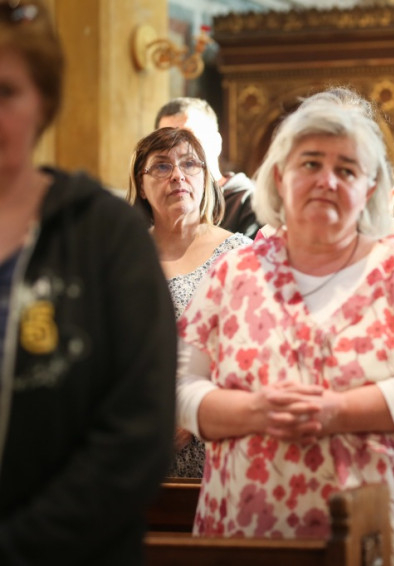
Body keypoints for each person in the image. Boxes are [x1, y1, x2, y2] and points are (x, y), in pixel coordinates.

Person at [175, 91, 394, 565]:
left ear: (370, 189)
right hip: (250, 531)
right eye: (311, 163)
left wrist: (338, 411)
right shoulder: (234, 272)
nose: (327, 180)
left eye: (347, 169)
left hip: (377, 533)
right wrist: (255, 412)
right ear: (280, 177)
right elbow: (179, 384)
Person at [0, 2, 176, 563]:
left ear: (44, 103)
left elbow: (139, 428)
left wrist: (17, 547)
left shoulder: (104, 234)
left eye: (5, 92)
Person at [126, 127, 251, 478]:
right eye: (162, 166)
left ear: (206, 177)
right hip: (141, 448)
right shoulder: (125, 257)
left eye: (189, 164)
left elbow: (255, 353)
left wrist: (191, 414)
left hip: (217, 443)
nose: (178, 175)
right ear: (141, 184)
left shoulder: (240, 255)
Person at [155, 97, 260, 238]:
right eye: (166, 141)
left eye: (189, 137)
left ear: (216, 142)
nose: (177, 149)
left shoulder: (250, 201)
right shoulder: (156, 202)